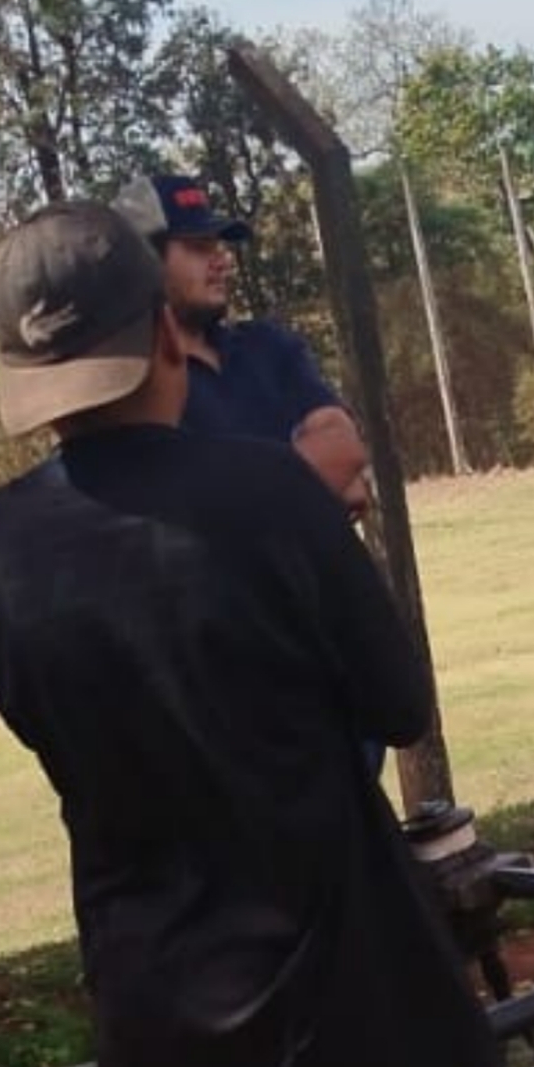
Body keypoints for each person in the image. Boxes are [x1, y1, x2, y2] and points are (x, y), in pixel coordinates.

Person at [0, 200, 501, 1067]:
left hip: (160, 1025)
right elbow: (399, 705)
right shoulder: (272, 489)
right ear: (165, 329)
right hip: (356, 997)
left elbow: (45, 727)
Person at [113, 173, 389, 779]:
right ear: (143, 262)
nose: (222, 260)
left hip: (331, 655)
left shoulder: (269, 348)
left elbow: (343, 451)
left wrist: (236, 509)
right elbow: (179, 523)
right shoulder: (133, 386)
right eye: (197, 247)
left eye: (222, 243)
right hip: (236, 684)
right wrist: (306, 496)